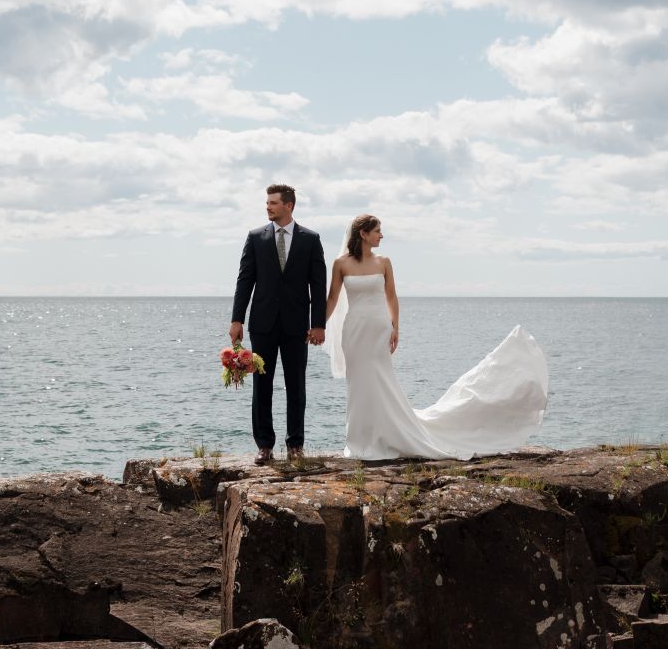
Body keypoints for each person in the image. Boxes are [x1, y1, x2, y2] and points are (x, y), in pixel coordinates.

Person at [322, 214, 547, 459]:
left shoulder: (384, 262)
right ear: (363, 234)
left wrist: (395, 327)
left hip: (378, 330)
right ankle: (360, 438)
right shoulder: (341, 264)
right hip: (354, 331)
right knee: (358, 383)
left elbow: (391, 297)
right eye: (377, 231)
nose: (381, 235)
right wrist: (319, 326)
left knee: (380, 380)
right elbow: (333, 298)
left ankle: (387, 434)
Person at [229, 184, 327, 465]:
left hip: (298, 325)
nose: (268, 207)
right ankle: (264, 446)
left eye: (273, 203)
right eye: (267, 202)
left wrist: (318, 324)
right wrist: (237, 319)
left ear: (289, 205)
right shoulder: (255, 237)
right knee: (262, 385)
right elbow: (245, 280)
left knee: (296, 385)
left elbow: (318, 285)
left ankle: (295, 445)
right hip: (263, 323)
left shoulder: (310, 239)